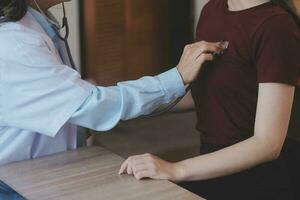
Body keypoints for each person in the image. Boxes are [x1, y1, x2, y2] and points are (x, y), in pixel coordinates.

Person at [0, 0, 225, 166]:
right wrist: (175, 78)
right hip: (19, 180)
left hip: (47, 167)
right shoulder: (15, 43)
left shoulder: (35, 28)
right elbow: (91, 105)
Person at [119, 0, 300, 199]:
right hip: (209, 168)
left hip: (258, 182)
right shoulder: (212, 10)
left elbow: (268, 144)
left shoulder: (276, 26)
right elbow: (210, 94)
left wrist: (175, 169)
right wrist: (123, 107)